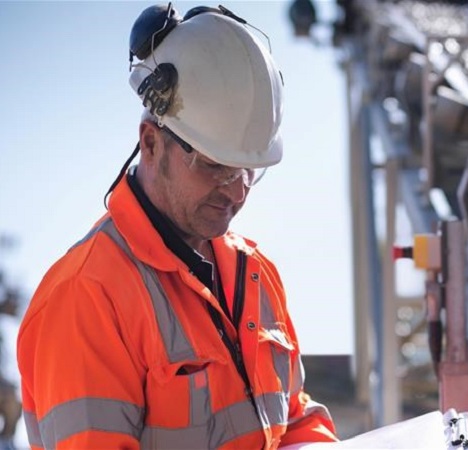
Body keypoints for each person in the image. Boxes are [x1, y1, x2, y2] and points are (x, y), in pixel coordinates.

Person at [17, 4, 337, 449]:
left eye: (249, 171)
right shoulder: (86, 296)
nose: (236, 191)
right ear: (151, 143)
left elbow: (294, 417)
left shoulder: (256, 273)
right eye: (214, 167)